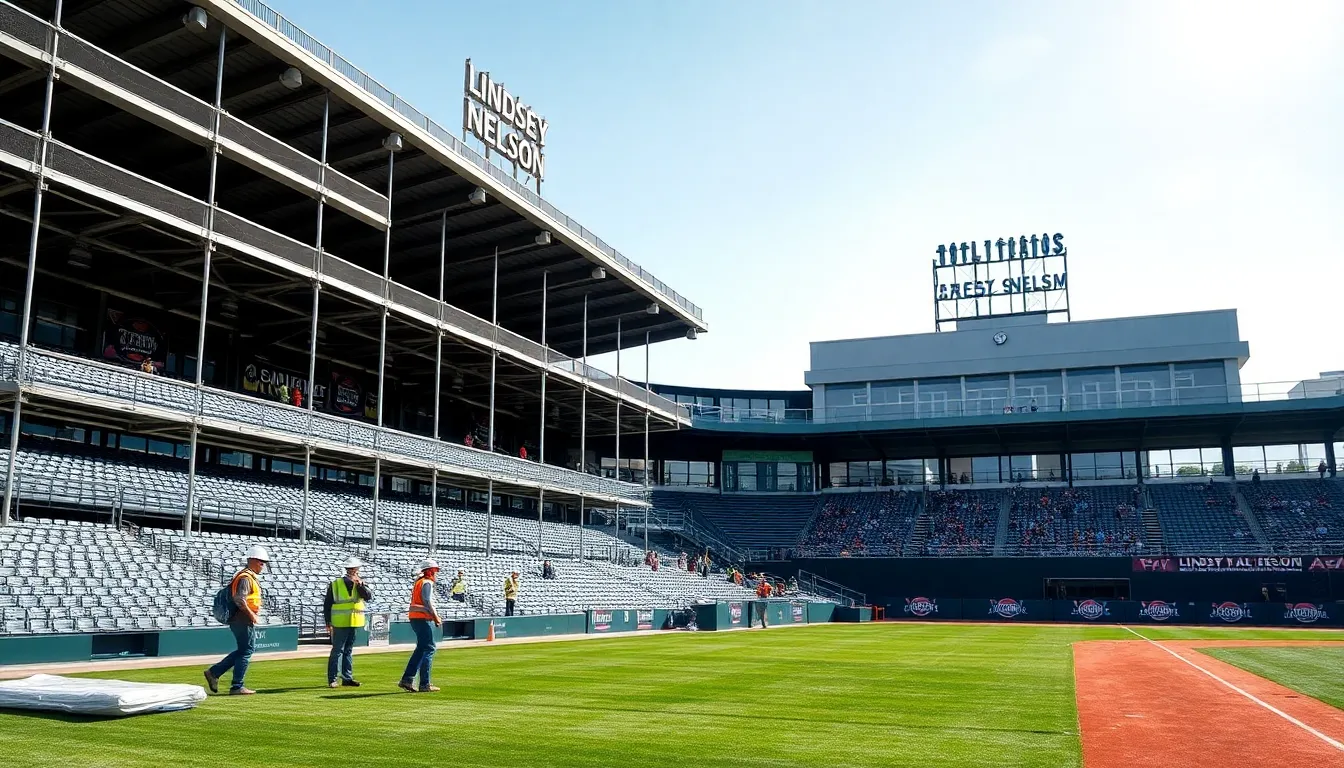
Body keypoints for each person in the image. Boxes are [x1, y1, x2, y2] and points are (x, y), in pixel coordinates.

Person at [204, 545, 269, 696]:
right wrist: (251, 615)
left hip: (240, 619)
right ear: (252, 560)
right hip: (242, 619)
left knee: (243, 650)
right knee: (246, 650)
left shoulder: (247, 576)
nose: (263, 566)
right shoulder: (245, 578)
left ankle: (214, 673)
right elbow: (239, 599)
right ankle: (236, 686)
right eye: (261, 563)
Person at [324, 556, 372, 689]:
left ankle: (347, 678)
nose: (354, 571)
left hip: (354, 621)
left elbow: (368, 597)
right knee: (337, 650)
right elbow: (328, 603)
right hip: (340, 622)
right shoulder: (336, 584)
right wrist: (328, 621)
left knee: (348, 650)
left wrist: (360, 585)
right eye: (352, 569)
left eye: (354, 569)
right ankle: (333, 678)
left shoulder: (360, 583)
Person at [400, 559, 440, 693]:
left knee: (421, 649)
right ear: (429, 571)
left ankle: (407, 679)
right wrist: (436, 617)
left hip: (415, 617)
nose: (436, 573)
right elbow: (427, 601)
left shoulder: (419, 582)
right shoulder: (427, 582)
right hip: (423, 618)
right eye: (434, 571)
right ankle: (424, 683)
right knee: (429, 648)